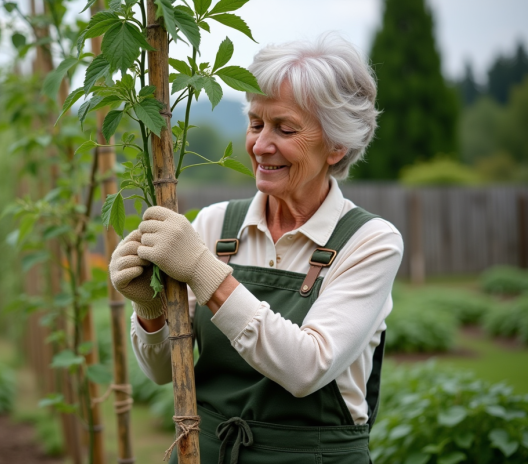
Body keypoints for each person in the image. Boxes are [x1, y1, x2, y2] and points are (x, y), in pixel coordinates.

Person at [110, 35, 403, 464]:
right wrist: (151, 310)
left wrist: (203, 271)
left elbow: (306, 368)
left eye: (285, 129)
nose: (261, 145)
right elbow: (160, 373)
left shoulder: (369, 242)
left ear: (336, 146)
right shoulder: (214, 225)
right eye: (255, 123)